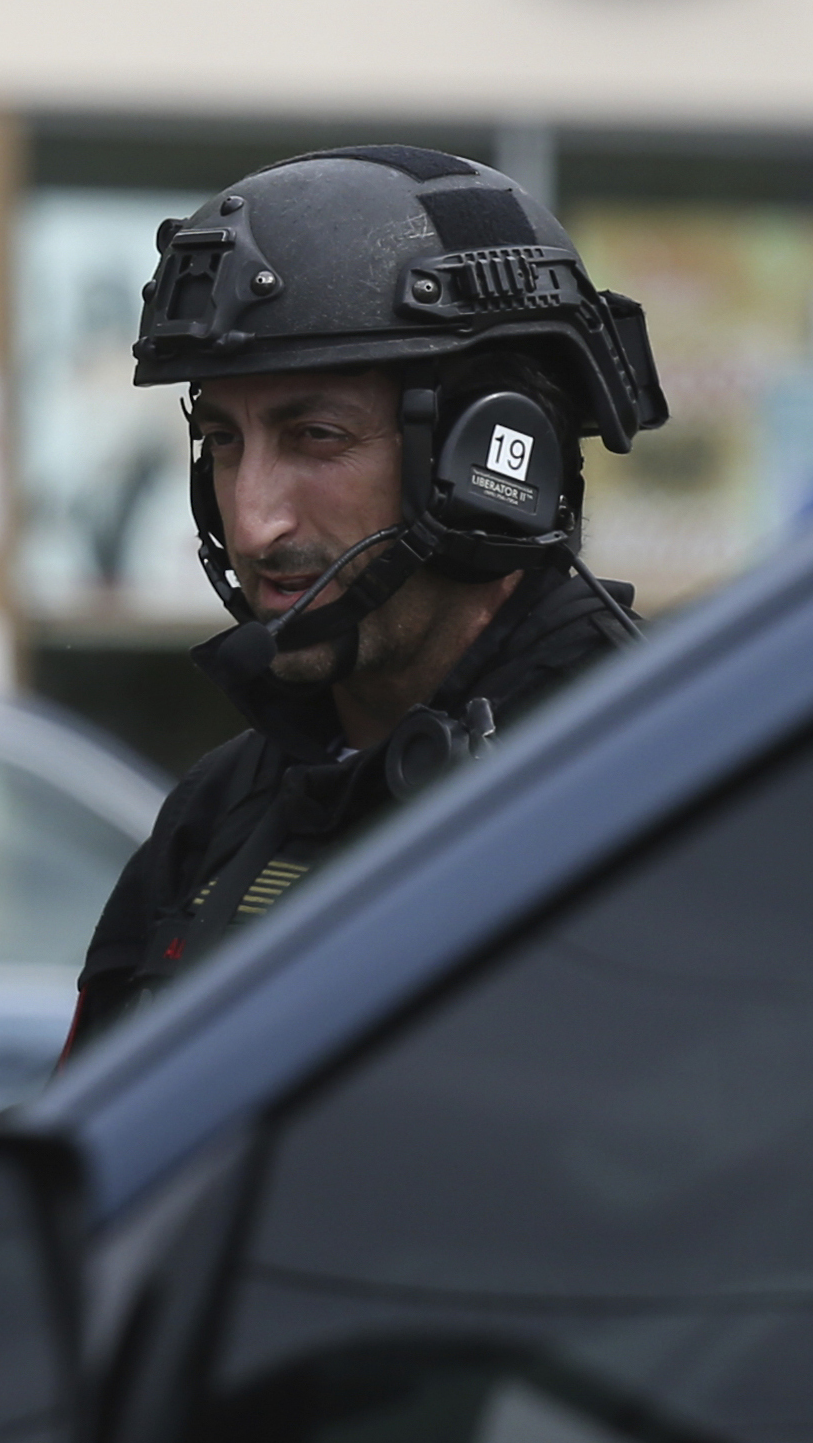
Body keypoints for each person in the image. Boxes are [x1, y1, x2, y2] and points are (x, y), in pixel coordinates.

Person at [63, 148, 671, 1054]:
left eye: (315, 436)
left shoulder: (663, 778)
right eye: (224, 442)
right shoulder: (220, 810)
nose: (253, 521)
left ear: (487, 457)